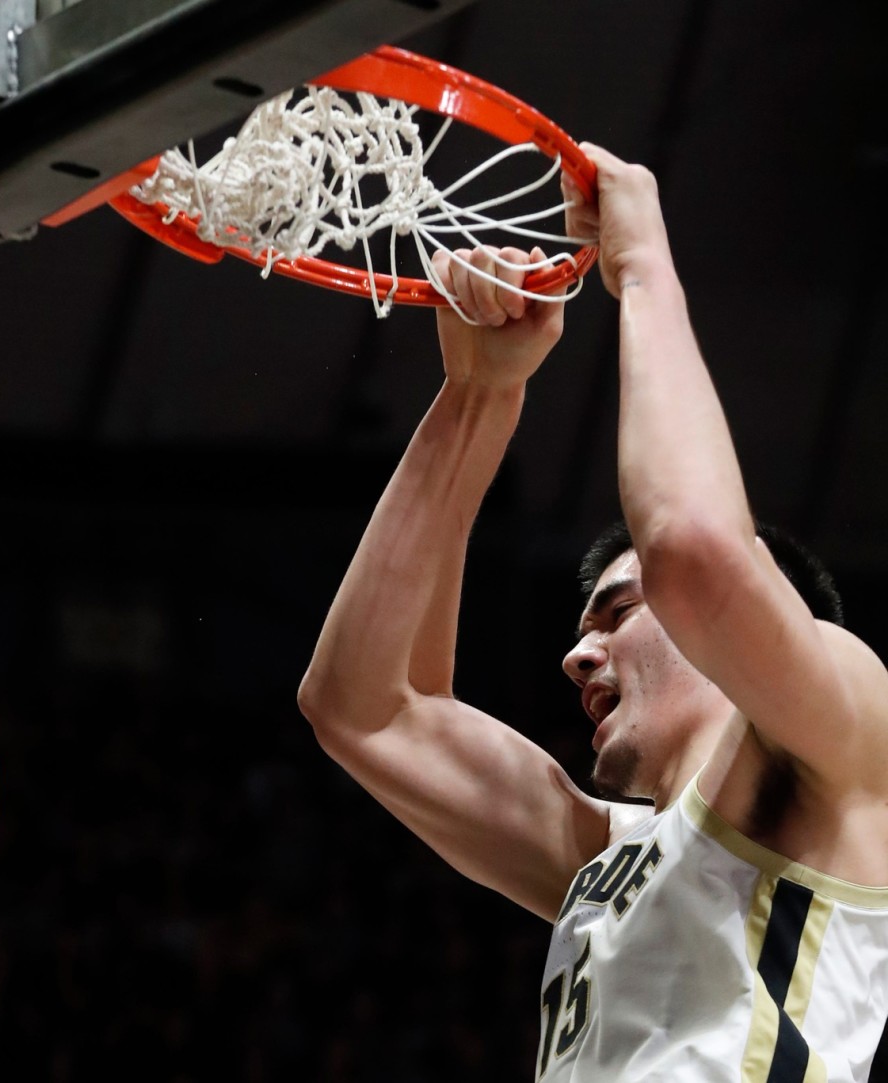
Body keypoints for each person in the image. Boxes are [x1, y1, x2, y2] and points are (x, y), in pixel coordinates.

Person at [297, 142, 888, 1082]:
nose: (579, 655)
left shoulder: (844, 717)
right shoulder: (604, 857)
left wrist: (641, 264)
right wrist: (480, 391)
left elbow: (695, 552)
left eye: (614, 611)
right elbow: (365, 706)